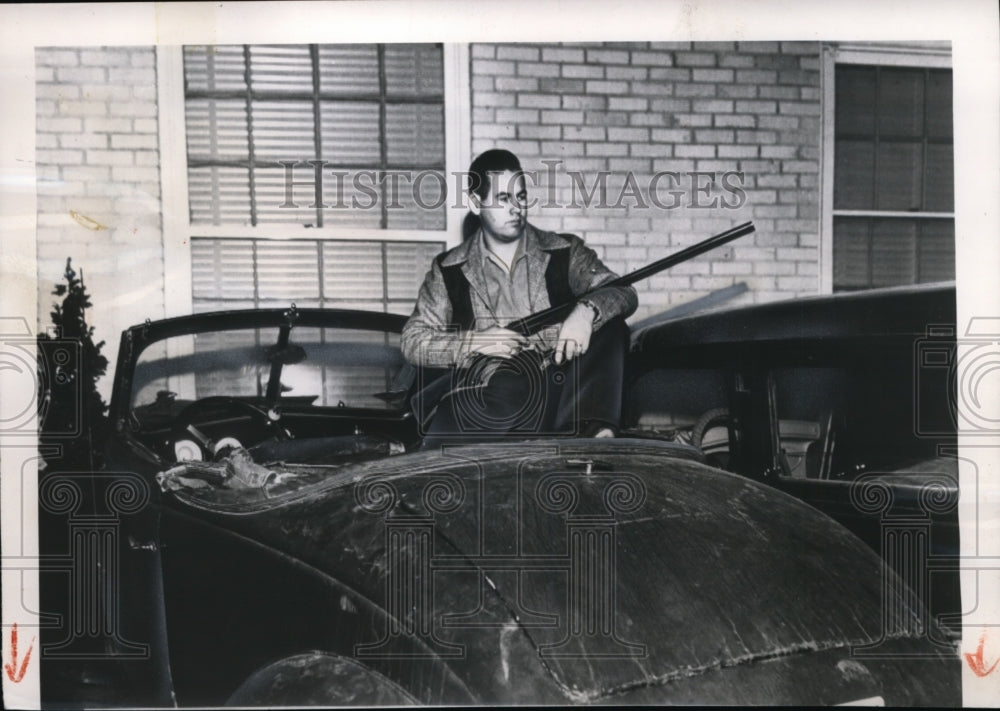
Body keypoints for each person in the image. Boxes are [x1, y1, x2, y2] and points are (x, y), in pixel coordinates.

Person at [401, 149, 637, 446]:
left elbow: (622, 290)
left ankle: (590, 437)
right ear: (475, 203)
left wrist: (587, 311)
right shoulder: (448, 269)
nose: (516, 208)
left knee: (611, 325)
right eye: (503, 199)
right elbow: (413, 341)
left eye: (521, 197)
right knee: (503, 388)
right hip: (495, 398)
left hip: (559, 395)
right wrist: (474, 342)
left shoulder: (565, 250)